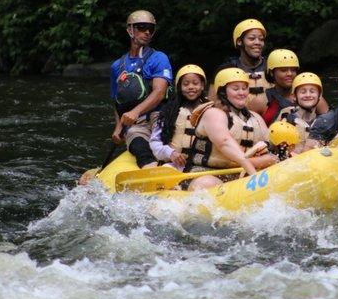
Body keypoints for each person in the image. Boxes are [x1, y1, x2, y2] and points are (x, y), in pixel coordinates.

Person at [186, 68, 277, 190]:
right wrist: (253, 173)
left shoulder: (255, 118)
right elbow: (224, 143)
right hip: (208, 173)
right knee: (205, 184)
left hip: (240, 174)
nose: (241, 93)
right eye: (235, 89)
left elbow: (272, 144)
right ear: (223, 92)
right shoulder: (213, 114)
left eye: (244, 88)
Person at [110, 10, 172, 168]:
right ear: (130, 30)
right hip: (136, 124)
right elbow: (118, 101)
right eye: (142, 27)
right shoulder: (117, 66)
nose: (147, 32)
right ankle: (148, 167)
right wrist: (118, 127)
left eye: (151, 29)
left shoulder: (158, 58)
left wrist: (135, 112)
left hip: (160, 116)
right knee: (132, 135)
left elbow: (159, 92)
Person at [149, 64, 208, 170]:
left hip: (203, 165)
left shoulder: (211, 110)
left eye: (195, 83)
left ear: (202, 85)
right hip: (176, 166)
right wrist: (170, 153)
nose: (191, 87)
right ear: (179, 87)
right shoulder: (169, 112)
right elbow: (155, 142)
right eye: (186, 84)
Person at [210, 19, 269, 112]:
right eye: (252, 38)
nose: (258, 42)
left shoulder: (272, 67)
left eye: (261, 39)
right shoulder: (226, 69)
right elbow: (213, 104)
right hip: (238, 121)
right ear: (239, 41)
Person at [257, 49, 329, 126]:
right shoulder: (260, 101)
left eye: (293, 70)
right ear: (271, 72)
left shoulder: (313, 98)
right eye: (283, 70)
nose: (290, 74)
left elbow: (330, 125)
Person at [276, 72, 323, 153]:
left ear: (319, 96)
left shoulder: (325, 122)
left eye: (312, 91)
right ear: (294, 96)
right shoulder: (286, 119)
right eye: (303, 92)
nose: (308, 95)